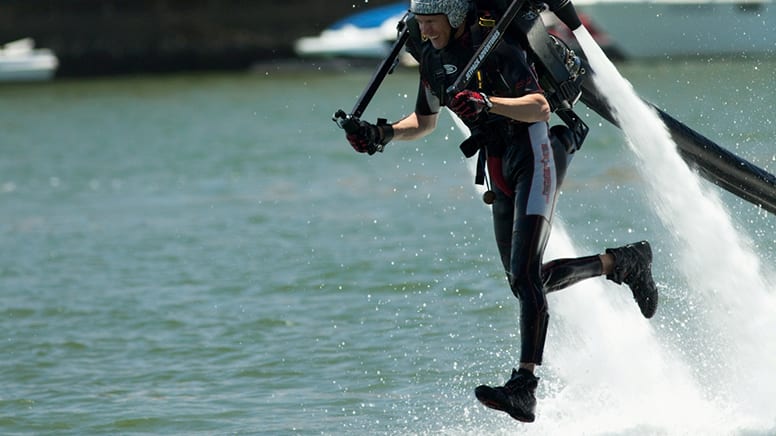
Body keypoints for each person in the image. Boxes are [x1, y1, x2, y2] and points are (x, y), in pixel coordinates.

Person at [343, 0, 658, 423]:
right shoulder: (434, 57)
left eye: (432, 23)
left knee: (527, 277)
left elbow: (538, 107)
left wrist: (488, 103)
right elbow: (425, 119)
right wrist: (381, 133)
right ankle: (623, 262)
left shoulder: (496, 49)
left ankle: (524, 386)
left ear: (454, 18)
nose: (427, 32)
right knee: (525, 280)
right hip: (497, 167)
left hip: (534, 155)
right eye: (420, 24)